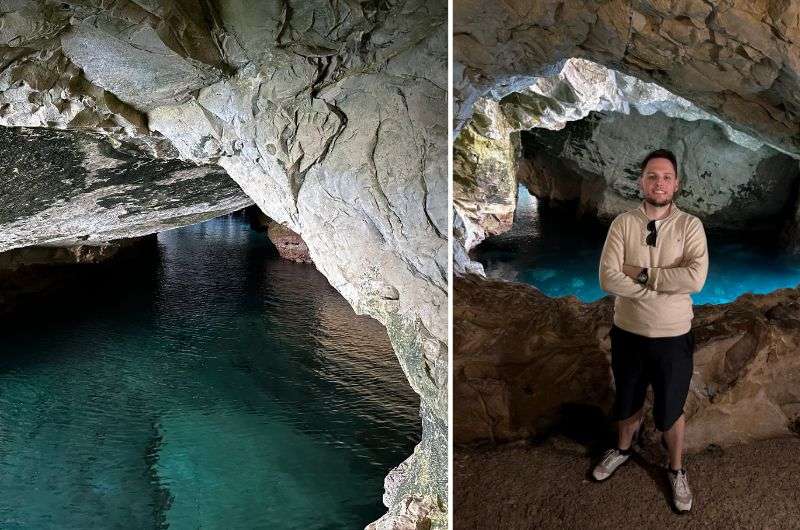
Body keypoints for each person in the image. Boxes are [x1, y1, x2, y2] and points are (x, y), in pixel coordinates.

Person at [592, 149, 709, 513]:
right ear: (641, 181)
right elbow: (607, 276)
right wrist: (660, 290)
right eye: (652, 176)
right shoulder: (623, 224)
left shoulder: (691, 226)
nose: (660, 183)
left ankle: (676, 470)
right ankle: (623, 450)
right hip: (628, 332)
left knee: (671, 409)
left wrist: (641, 275)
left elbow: (696, 278)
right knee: (627, 400)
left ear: (676, 184)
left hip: (673, 336)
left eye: (666, 177)